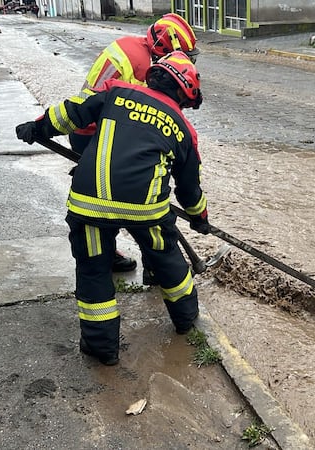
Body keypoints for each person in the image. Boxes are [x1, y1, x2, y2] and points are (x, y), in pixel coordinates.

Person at [15, 51, 208, 366]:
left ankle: (103, 349)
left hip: (90, 205)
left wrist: (37, 128)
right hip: (147, 212)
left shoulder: (115, 92)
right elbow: (189, 188)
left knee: (93, 271)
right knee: (167, 260)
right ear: (185, 95)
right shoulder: (184, 129)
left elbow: (71, 113)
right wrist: (200, 218)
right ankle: (186, 319)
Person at [70, 13, 199, 276]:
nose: (184, 61)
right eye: (182, 55)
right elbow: (149, 118)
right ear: (165, 50)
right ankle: (156, 266)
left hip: (90, 127)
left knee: (113, 197)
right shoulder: (139, 65)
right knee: (137, 197)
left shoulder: (134, 48)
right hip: (97, 132)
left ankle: (128, 256)